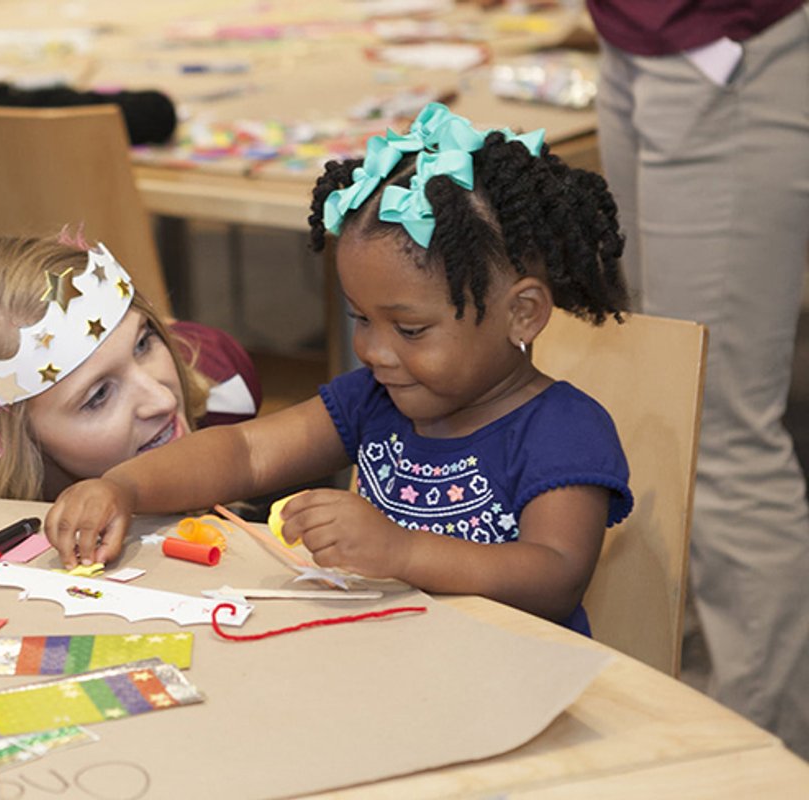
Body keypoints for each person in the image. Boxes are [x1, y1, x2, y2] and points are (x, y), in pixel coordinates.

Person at [44, 103, 633, 634]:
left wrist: (401, 552)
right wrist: (123, 485)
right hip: (380, 664)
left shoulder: (564, 430)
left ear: (522, 314)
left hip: (508, 686)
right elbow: (245, 453)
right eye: (360, 319)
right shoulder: (373, 399)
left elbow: (555, 579)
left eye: (409, 330)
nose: (374, 351)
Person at [587, 1, 809, 759]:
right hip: (635, 38)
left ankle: (761, 756)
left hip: (728, 49)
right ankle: (685, 715)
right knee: (665, 386)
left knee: (720, 430)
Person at [0, 233, 261, 501]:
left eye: (143, 343)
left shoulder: (226, 392)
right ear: (11, 444)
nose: (163, 397)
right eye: (98, 396)